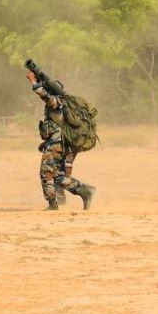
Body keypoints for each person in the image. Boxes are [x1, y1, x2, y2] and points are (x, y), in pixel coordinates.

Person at [27, 69, 95, 210]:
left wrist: (33, 82)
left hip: (56, 145)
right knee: (54, 174)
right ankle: (83, 191)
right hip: (55, 143)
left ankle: (55, 203)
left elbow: (44, 96)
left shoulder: (57, 103)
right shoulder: (58, 105)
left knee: (46, 172)